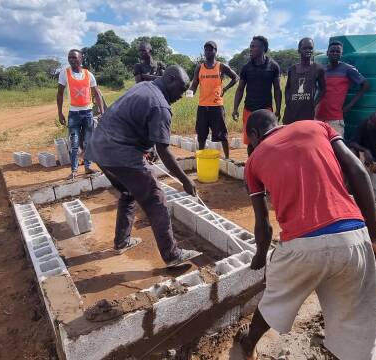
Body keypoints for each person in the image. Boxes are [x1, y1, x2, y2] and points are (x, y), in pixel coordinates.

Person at [237, 110, 376, 360]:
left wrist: (261, 255)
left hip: (301, 246)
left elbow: (263, 225)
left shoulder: (253, 161)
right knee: (356, 319)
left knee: (275, 300)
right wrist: (373, 238)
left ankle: (249, 344)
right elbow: (358, 172)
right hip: (352, 235)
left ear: (253, 134)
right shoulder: (318, 127)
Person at [86, 65, 202, 267]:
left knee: (129, 192)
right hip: (119, 153)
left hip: (99, 149)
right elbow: (165, 151)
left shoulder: (145, 87)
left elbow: (133, 123)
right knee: (156, 200)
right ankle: (172, 255)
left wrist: (145, 149)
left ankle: (122, 241)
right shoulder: (160, 106)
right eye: (181, 89)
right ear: (171, 80)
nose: (181, 95)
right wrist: (185, 180)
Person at [57, 49, 107, 179]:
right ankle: (74, 170)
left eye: (74, 57)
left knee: (88, 142)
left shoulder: (88, 74)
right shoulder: (65, 73)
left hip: (88, 113)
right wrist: (60, 113)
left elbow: (97, 94)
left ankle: (87, 167)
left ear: (81, 59)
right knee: (74, 143)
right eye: (70, 57)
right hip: (73, 114)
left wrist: (102, 112)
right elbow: (60, 93)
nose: (71, 60)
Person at [189, 41, 239, 158]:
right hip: (202, 107)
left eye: (210, 49)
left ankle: (227, 158)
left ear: (215, 51)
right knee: (201, 135)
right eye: (206, 49)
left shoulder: (221, 66)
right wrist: (188, 94)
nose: (208, 51)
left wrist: (225, 89)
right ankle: (201, 157)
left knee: (222, 134)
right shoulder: (199, 67)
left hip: (217, 107)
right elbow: (194, 85)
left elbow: (235, 77)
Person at [232, 35, 282, 147]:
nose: (250, 49)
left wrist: (278, 110)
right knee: (251, 143)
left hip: (266, 111)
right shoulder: (246, 68)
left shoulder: (273, 66)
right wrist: (235, 108)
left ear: (263, 48)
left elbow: (277, 89)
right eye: (250, 46)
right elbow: (240, 89)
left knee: (267, 141)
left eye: (253, 46)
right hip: (249, 110)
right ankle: (252, 159)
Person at [315, 41, 371, 136]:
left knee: (336, 144)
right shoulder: (322, 70)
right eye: (332, 51)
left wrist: (349, 106)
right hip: (318, 117)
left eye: (338, 51)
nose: (335, 53)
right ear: (327, 53)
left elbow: (366, 85)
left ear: (341, 54)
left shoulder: (347, 69)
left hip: (335, 119)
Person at [282, 37, 326, 125]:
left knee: (305, 131)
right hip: (291, 112)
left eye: (310, 48)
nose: (308, 50)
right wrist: (288, 102)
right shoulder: (292, 69)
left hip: (307, 112)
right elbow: (288, 88)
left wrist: (314, 103)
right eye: (305, 48)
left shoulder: (318, 69)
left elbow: (323, 89)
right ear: (299, 50)